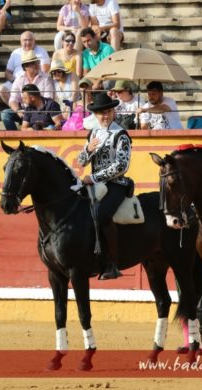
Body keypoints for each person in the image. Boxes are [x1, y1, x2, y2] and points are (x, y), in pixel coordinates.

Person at [77, 93, 133, 280]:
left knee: (102, 215)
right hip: (95, 184)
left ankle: (112, 263)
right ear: (95, 114)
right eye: (101, 112)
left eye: (108, 111)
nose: (105, 116)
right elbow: (81, 161)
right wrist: (87, 150)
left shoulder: (121, 134)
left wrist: (93, 178)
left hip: (116, 184)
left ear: (113, 111)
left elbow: (121, 166)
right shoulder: (93, 133)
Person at [2, 50, 55, 131]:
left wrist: (34, 110)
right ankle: (15, 137)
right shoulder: (19, 80)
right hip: (24, 112)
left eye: (37, 62)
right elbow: (13, 99)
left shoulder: (46, 78)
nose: (37, 65)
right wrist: (18, 110)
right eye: (33, 63)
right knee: (5, 114)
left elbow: (48, 99)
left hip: (40, 112)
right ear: (25, 67)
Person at [0, 31, 51, 105]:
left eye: (30, 40)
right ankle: (18, 110)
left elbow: (45, 70)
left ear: (34, 41)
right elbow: (7, 72)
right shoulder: (15, 53)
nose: (28, 42)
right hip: (17, 81)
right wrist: (15, 82)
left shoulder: (41, 52)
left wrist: (30, 80)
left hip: (35, 82)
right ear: (20, 42)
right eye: (25, 40)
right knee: (2, 89)